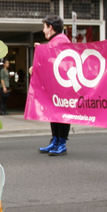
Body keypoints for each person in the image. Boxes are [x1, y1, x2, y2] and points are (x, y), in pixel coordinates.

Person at [37, 15, 72, 156]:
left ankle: (61, 143)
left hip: (62, 84)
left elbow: (56, 61)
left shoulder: (61, 39)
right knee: (54, 112)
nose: (43, 30)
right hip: (56, 84)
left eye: (44, 27)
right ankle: (55, 140)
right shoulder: (55, 40)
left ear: (50, 27)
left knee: (61, 113)